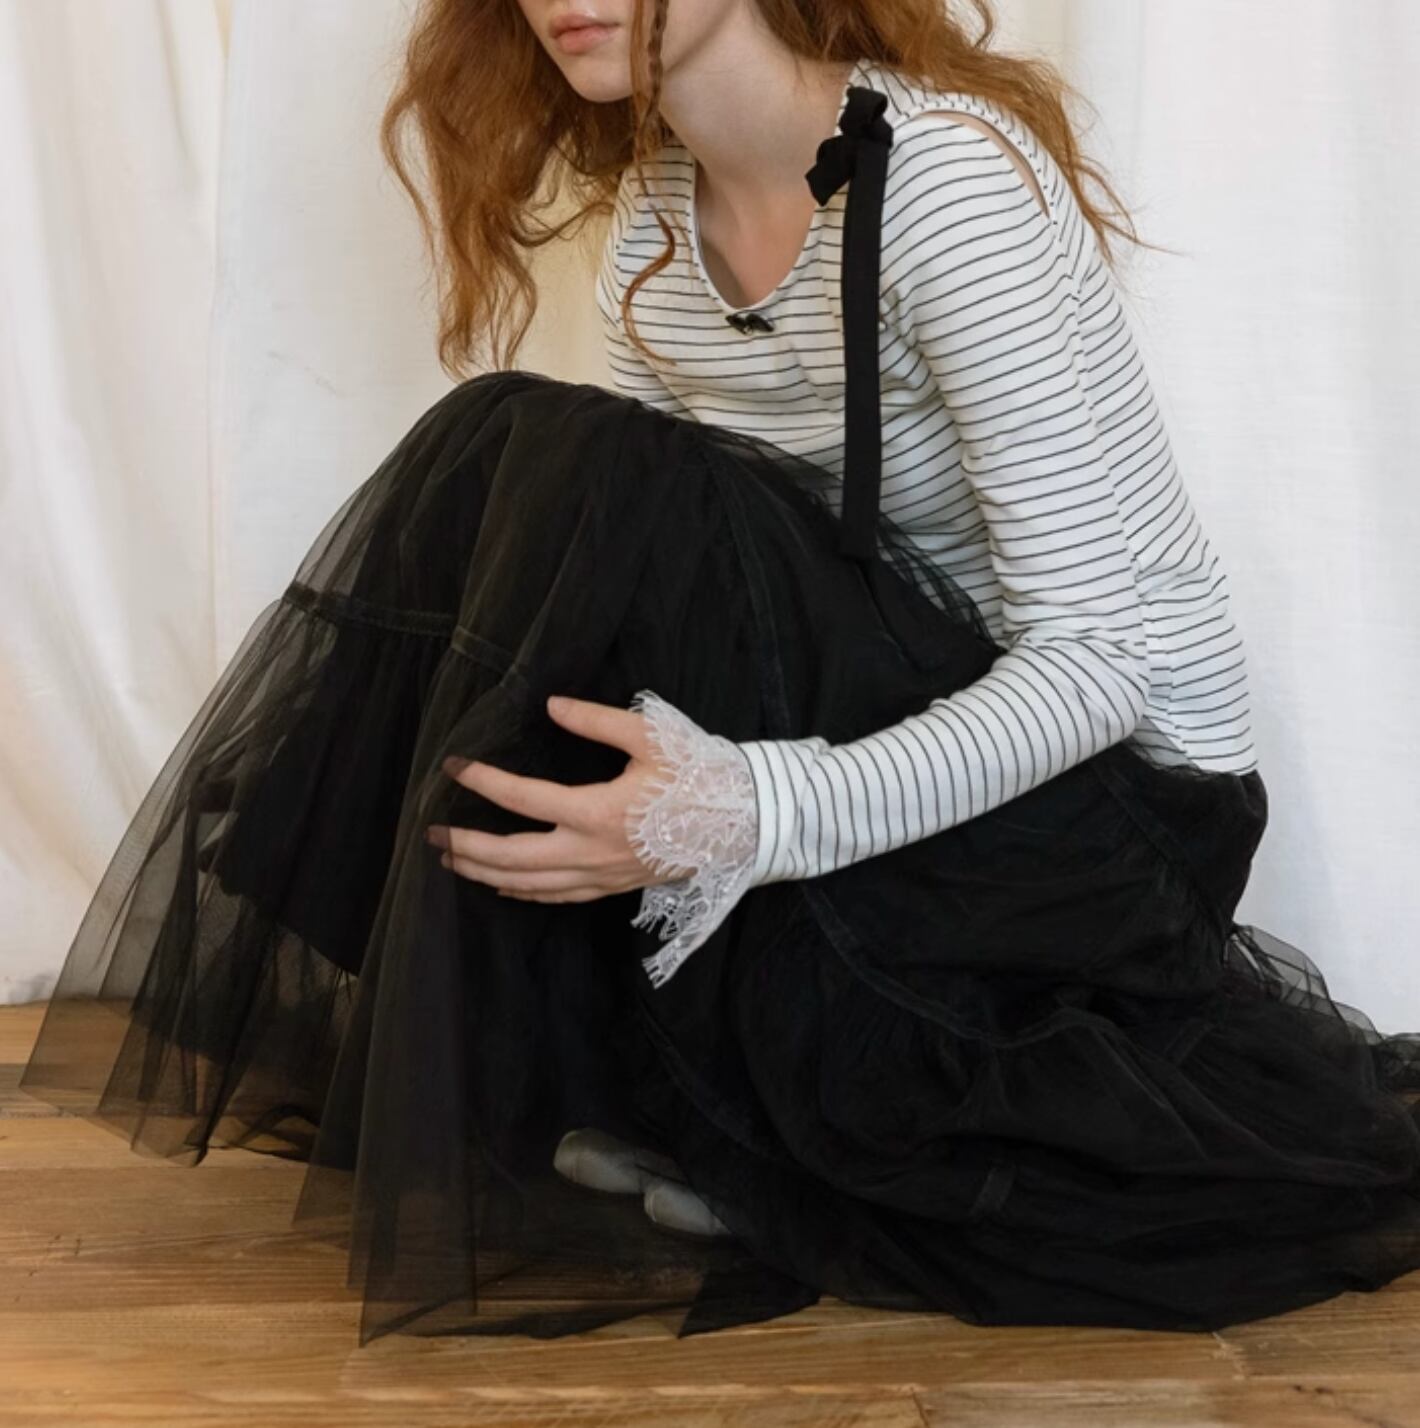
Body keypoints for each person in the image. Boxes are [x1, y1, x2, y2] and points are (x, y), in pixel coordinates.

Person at [20, 0, 1420, 1349]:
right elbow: (646, 603)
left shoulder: (946, 185)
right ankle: (627, 1051)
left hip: (1118, 821)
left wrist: (752, 810)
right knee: (540, 478)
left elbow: (1101, 665)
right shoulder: (654, 224)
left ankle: (724, 1106)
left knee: (547, 451)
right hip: (907, 733)